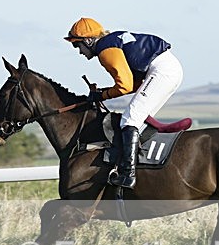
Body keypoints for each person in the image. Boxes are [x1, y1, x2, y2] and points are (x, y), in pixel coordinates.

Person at [64, 17, 184, 189]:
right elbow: (131, 85)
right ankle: (143, 166)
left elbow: (125, 85)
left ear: (89, 40)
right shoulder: (111, 42)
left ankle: (128, 174)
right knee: (140, 120)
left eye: (77, 45)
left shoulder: (105, 50)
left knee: (129, 120)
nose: (79, 52)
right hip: (168, 69)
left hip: (162, 72)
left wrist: (101, 96)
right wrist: (103, 94)